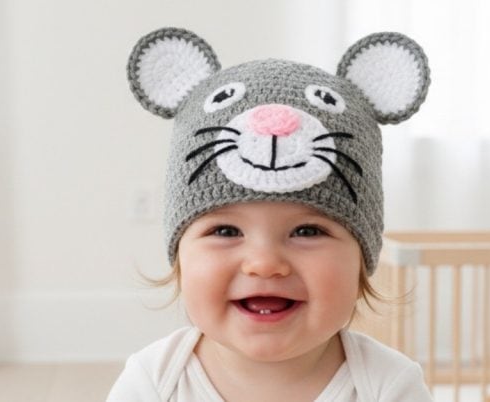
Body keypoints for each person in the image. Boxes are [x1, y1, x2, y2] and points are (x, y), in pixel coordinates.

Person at [108, 27, 433, 401]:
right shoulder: (154, 381)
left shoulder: (389, 386)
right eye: (227, 231)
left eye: (308, 231)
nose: (264, 264)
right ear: (179, 256)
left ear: (362, 260)